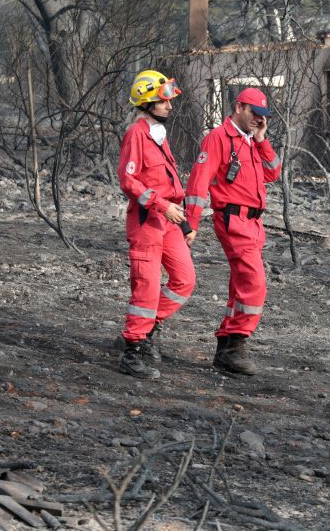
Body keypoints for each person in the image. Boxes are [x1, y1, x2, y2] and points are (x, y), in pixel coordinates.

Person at [184, 87, 281, 376]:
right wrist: (190, 223)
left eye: (263, 116)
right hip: (233, 221)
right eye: (254, 114)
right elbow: (199, 183)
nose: (258, 120)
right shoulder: (218, 139)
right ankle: (234, 345)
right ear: (239, 107)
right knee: (254, 283)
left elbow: (273, 172)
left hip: (254, 224)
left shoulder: (251, 141)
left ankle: (226, 347)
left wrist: (262, 139)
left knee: (241, 285)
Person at [116, 70, 196, 379]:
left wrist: (185, 223)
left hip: (170, 222)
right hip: (147, 221)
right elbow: (128, 180)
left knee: (184, 280)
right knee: (146, 288)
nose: (170, 106)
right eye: (164, 101)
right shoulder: (137, 133)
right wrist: (162, 205)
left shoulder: (158, 135)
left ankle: (148, 329)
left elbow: (170, 181)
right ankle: (132, 350)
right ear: (148, 100)